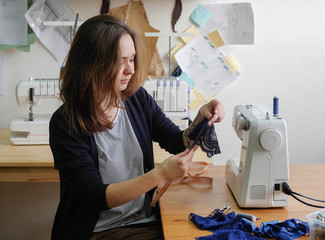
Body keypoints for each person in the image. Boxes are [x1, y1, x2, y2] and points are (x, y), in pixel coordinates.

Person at [49, 14, 225, 240]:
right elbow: (95, 196)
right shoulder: (66, 124)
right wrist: (160, 173)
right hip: (101, 230)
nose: (130, 70)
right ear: (93, 64)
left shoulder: (136, 99)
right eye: (121, 61)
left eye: (132, 59)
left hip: (145, 220)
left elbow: (175, 141)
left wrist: (202, 117)